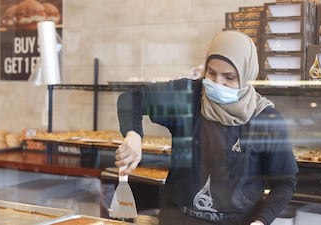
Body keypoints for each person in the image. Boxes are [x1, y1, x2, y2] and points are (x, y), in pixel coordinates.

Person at [115, 30, 298, 225]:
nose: (218, 83)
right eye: (211, 73)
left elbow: (284, 183)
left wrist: (261, 221)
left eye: (229, 77)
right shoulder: (187, 96)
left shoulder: (266, 119)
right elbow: (131, 99)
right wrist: (133, 134)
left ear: (246, 75)